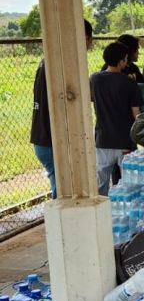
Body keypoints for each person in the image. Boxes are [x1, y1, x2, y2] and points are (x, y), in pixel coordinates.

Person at [31, 19, 93, 199]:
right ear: (84, 37)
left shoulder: (50, 59)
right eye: (89, 41)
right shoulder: (64, 64)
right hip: (52, 141)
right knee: (65, 195)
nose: (89, 45)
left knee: (63, 190)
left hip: (43, 138)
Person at [90, 42, 144, 196]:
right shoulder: (129, 84)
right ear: (122, 61)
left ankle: (101, 214)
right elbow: (137, 114)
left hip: (103, 140)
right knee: (130, 184)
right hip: (125, 141)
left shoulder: (95, 79)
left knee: (101, 183)